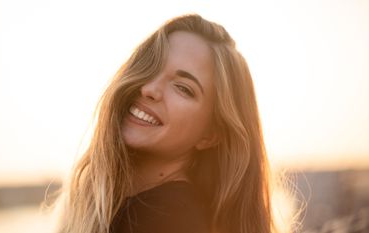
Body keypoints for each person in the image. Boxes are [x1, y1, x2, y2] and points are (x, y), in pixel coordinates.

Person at [52, 14, 276, 233]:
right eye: (150, 66)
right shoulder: (133, 207)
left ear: (211, 134)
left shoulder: (170, 217)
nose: (149, 89)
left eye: (183, 88)